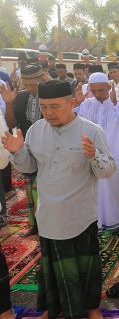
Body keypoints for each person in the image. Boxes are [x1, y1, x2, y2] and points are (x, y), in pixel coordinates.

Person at [3, 79, 115, 319]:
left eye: (55, 106)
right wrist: (17, 151)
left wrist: (94, 155)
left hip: (80, 215)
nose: (48, 112)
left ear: (72, 102)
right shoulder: (35, 130)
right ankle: (53, 309)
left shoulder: (92, 131)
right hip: (49, 215)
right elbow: (29, 167)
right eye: (44, 107)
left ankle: (92, 308)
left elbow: (107, 171)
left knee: (86, 268)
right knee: (53, 270)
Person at [76, 72, 119, 234]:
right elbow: (73, 121)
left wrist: (114, 103)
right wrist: (77, 102)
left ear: (109, 87)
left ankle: (116, 222)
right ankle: (96, 224)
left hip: (112, 155)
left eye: (102, 90)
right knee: (92, 191)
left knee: (113, 192)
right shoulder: (85, 104)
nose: (98, 94)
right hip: (89, 155)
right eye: (94, 91)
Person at [0, 64, 49, 236]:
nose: (29, 88)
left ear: (40, 79)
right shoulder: (20, 97)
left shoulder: (50, 95)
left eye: (33, 85)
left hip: (48, 148)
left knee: (47, 188)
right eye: (26, 85)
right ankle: (34, 225)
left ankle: (48, 224)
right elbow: (12, 123)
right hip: (27, 148)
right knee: (30, 188)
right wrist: (9, 104)